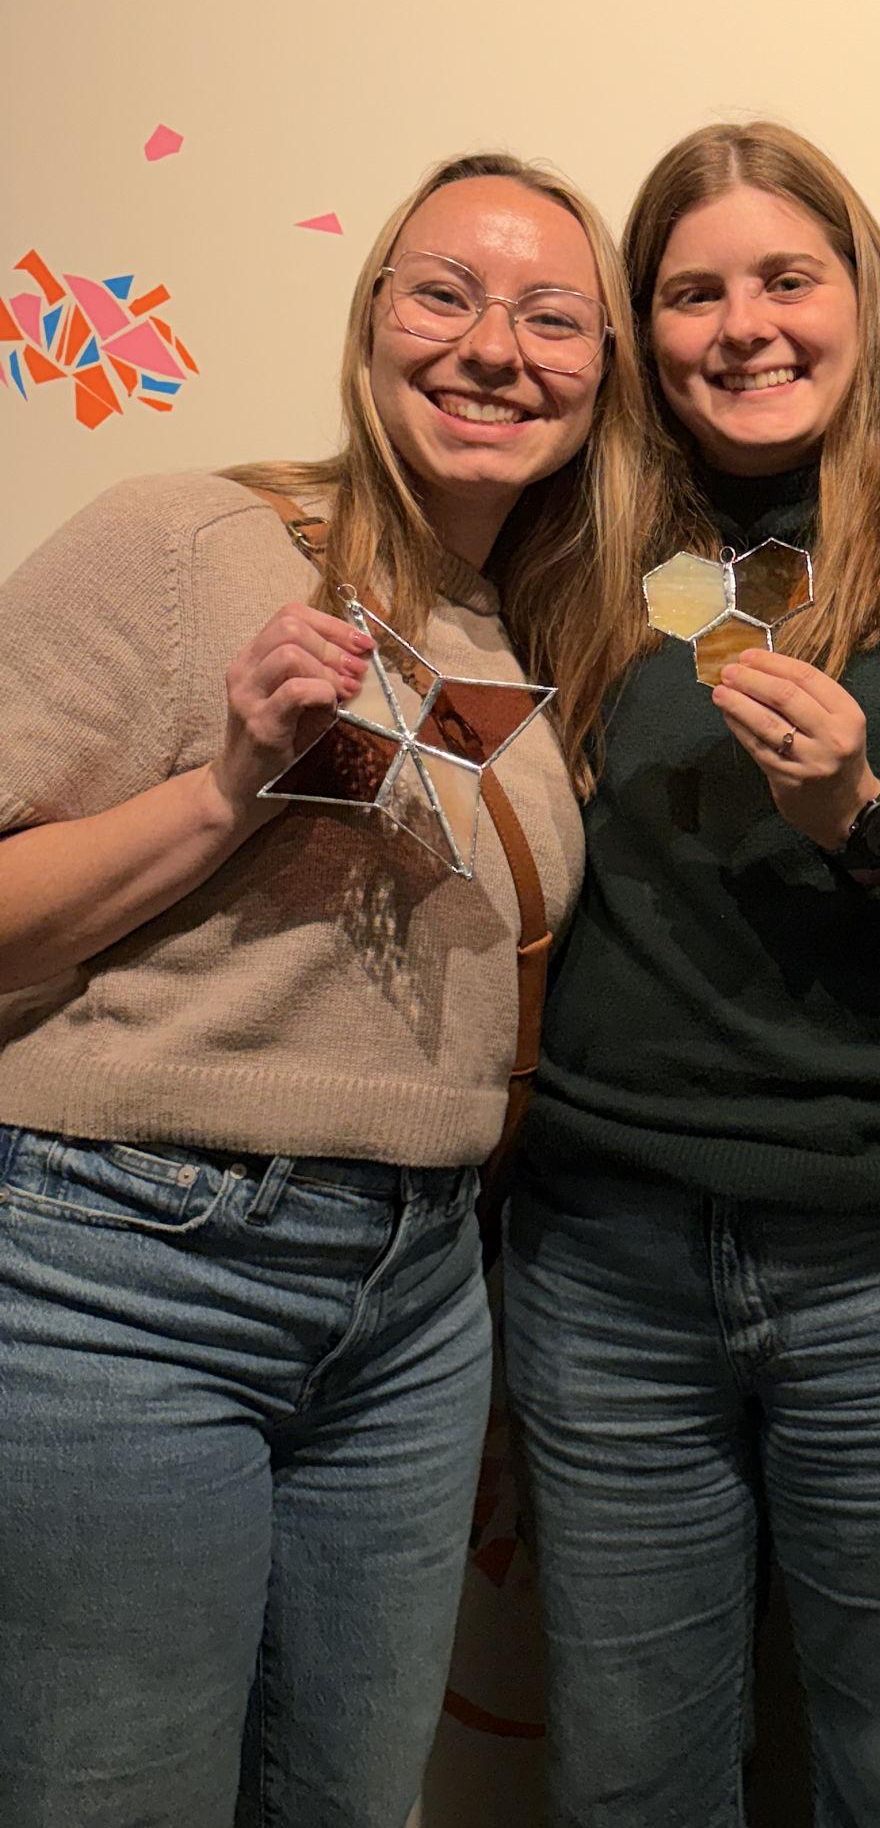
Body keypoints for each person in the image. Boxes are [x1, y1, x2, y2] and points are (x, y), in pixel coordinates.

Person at [0, 151, 657, 1826]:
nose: (494, 347)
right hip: (126, 1275)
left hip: (416, 1307)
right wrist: (229, 785)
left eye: (553, 317)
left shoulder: (532, 635)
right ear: (370, 322)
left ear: (603, 374)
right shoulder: (186, 537)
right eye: (445, 295)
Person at [500, 118, 880, 1828]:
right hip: (610, 1264)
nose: (745, 327)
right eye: (693, 292)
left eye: (786, 278)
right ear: (643, 332)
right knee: (628, 1786)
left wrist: (868, 818)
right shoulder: (579, 554)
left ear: (864, 296)